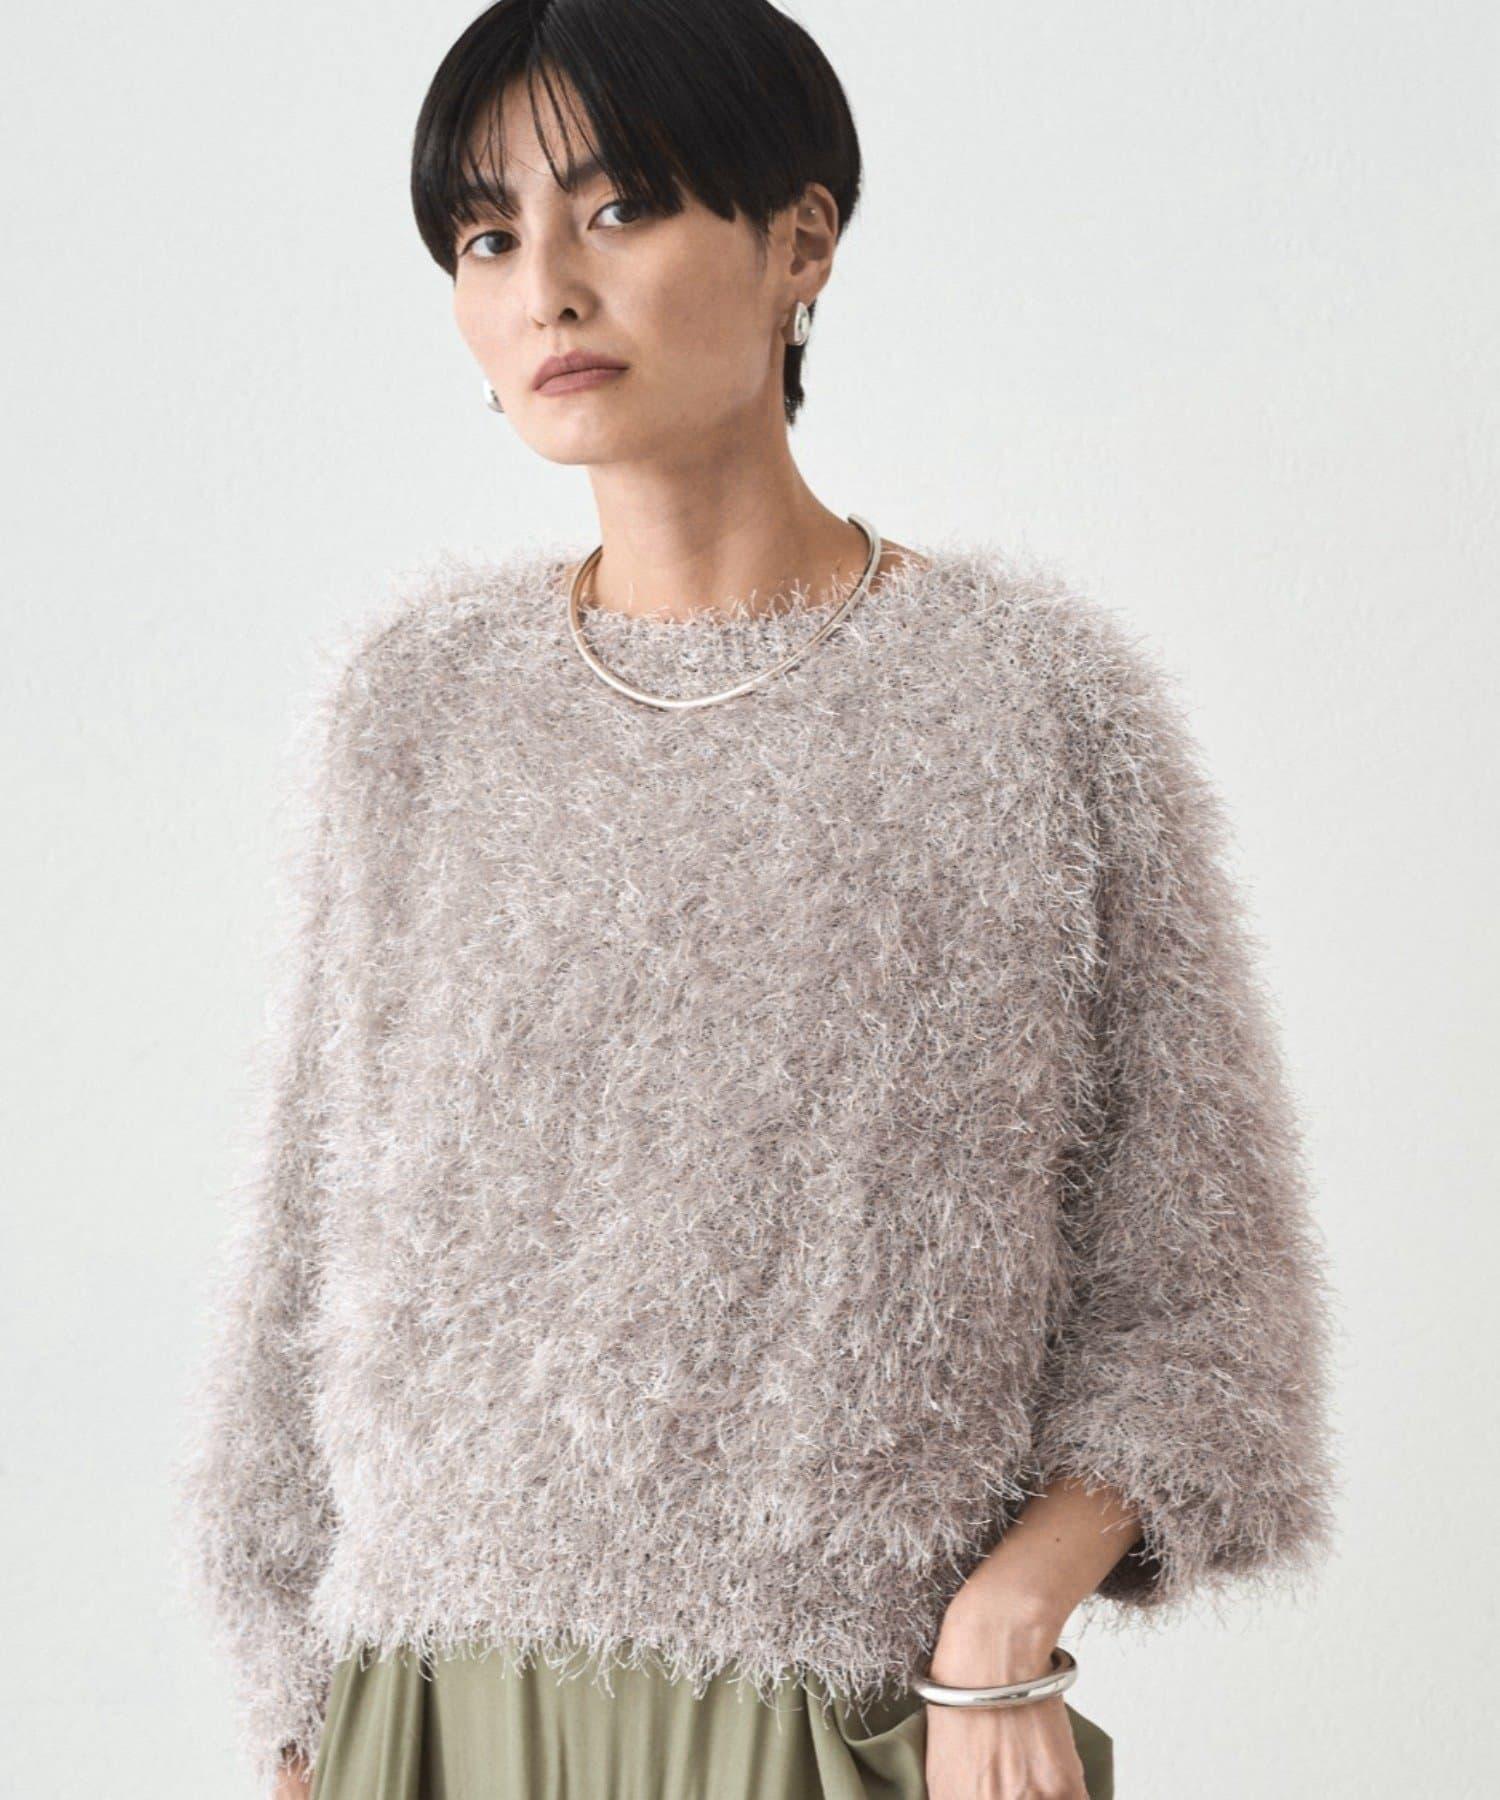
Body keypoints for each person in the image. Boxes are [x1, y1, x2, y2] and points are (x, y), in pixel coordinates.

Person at [174, 3, 1339, 1797]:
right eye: (485, 236)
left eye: (618, 207)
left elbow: (1207, 1301)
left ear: (802, 242)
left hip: (834, 1710)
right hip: (424, 1708)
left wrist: (1005, 1621)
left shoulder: (1027, 705)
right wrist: (292, 1712)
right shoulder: (418, 703)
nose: (546, 288)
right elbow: (306, 1257)